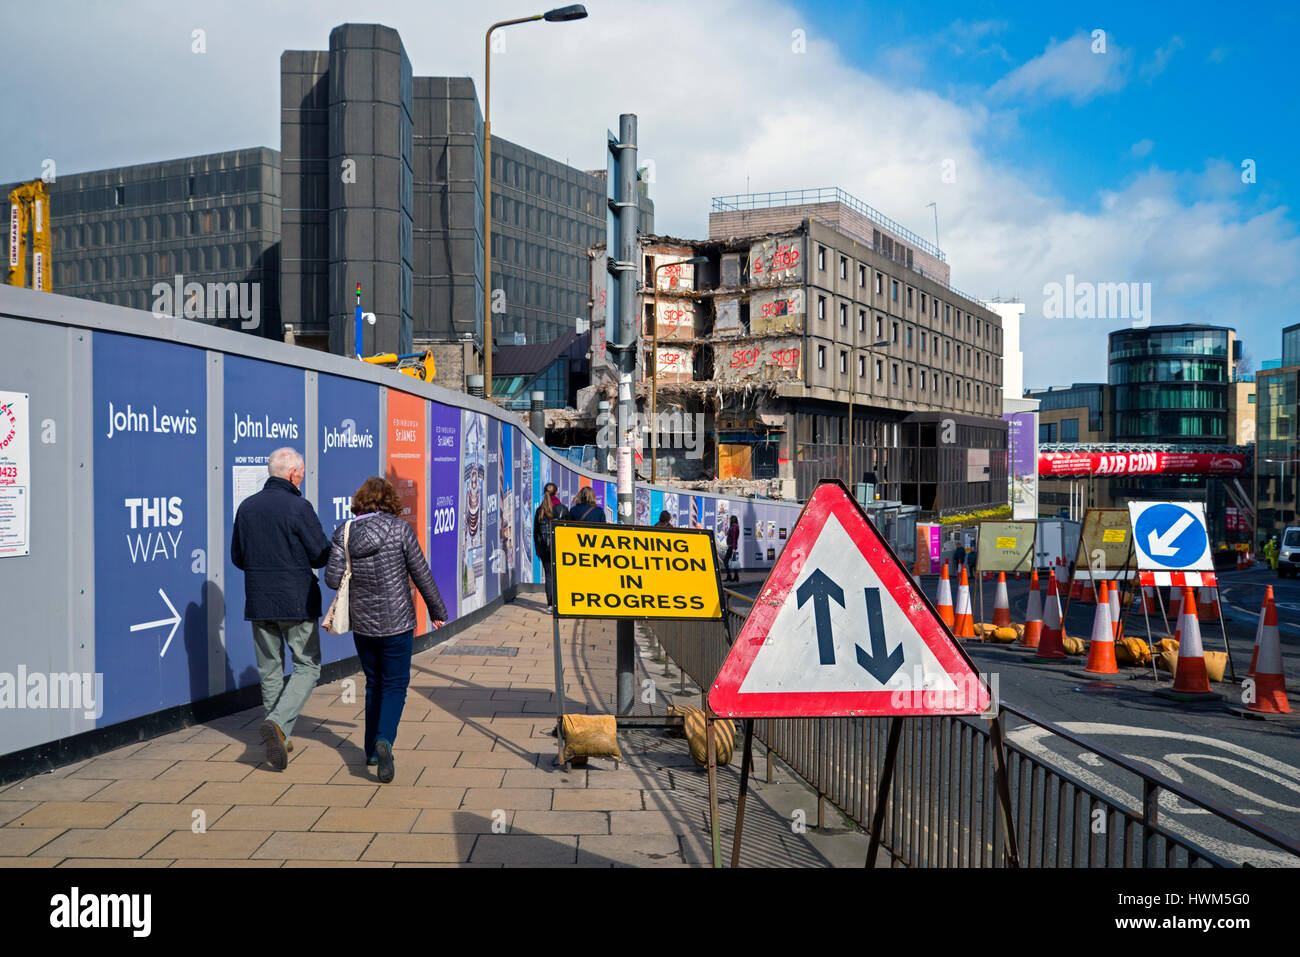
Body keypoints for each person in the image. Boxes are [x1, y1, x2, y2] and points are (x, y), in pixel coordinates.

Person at [325, 477, 447, 783]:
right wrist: (438, 611)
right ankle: (384, 741)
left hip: (363, 624)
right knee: (394, 684)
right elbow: (421, 573)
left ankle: (370, 750)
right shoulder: (399, 529)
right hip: (398, 622)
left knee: (372, 683)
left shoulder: (345, 532)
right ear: (390, 501)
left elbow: (331, 579)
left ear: (361, 501)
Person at [231, 447, 331, 771]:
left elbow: (238, 557)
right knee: (308, 666)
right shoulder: (299, 507)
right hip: (297, 601)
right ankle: (277, 723)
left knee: (270, 670)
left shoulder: (246, 508)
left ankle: (280, 733)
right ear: (292, 474)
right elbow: (319, 555)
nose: (302, 477)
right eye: (301, 472)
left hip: (259, 601)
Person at [533, 482, 569, 606]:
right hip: (559, 547)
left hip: (544, 548)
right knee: (559, 576)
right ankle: (559, 603)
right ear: (557, 493)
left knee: (548, 575)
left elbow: (536, 531)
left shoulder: (540, 510)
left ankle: (550, 604)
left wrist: (538, 549)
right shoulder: (562, 509)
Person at [723, 515, 740, 583]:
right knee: (733, 561)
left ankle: (729, 576)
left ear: (732, 520)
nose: (729, 520)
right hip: (732, 546)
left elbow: (734, 538)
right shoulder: (733, 526)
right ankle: (735, 577)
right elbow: (728, 534)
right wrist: (725, 525)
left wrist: (733, 548)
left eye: (730, 519)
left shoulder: (734, 527)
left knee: (725, 561)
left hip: (732, 546)